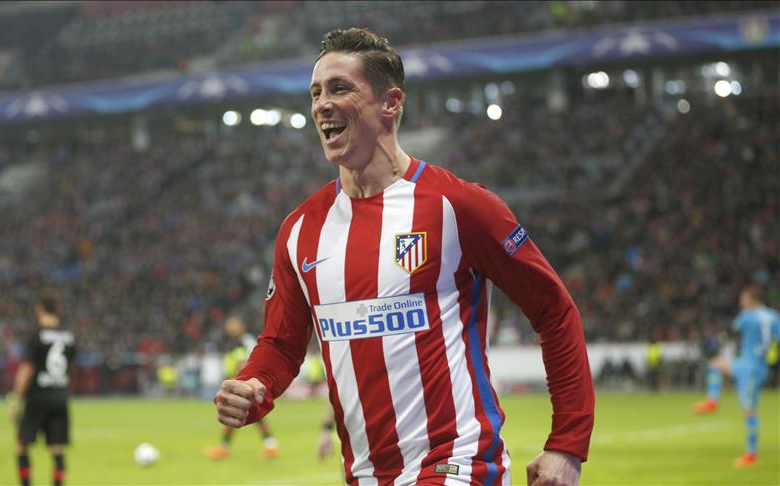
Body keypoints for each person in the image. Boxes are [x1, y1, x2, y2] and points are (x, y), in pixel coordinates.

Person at [213, 28, 594, 485]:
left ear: (390, 103)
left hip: (457, 464)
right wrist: (254, 385)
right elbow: (281, 344)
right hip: (365, 473)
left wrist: (567, 444)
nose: (322, 105)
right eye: (316, 93)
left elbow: (554, 310)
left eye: (340, 88)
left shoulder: (460, 206)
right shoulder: (300, 230)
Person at [693, 285, 780, 467]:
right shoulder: (773, 317)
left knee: (749, 410)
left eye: (744, 300)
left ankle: (751, 454)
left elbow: (735, 328)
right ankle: (712, 401)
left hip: (751, 369)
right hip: (751, 364)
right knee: (715, 364)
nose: (742, 303)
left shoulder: (747, 316)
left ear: (752, 300)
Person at [8, 291, 77, 486]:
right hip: (60, 397)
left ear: (40, 309)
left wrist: (15, 399)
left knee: (22, 444)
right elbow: (71, 368)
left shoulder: (36, 336)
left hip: (37, 397)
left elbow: (27, 370)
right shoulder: (69, 337)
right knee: (57, 449)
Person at [204, 315, 280, 459]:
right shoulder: (235, 341)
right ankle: (270, 446)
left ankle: (269, 446)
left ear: (240, 326)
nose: (229, 327)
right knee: (238, 414)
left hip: (243, 382)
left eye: (233, 324)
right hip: (237, 381)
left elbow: (244, 362)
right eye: (229, 324)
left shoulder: (242, 342)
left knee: (240, 413)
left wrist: (240, 380)